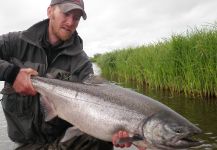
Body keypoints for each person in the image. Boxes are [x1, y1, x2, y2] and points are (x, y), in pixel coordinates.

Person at [0, 0, 143, 149]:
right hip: (26, 145)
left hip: (63, 143)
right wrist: (12, 73)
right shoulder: (15, 42)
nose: (70, 22)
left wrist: (115, 131)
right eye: (66, 14)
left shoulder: (82, 63)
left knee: (102, 141)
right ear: (50, 11)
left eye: (76, 17)